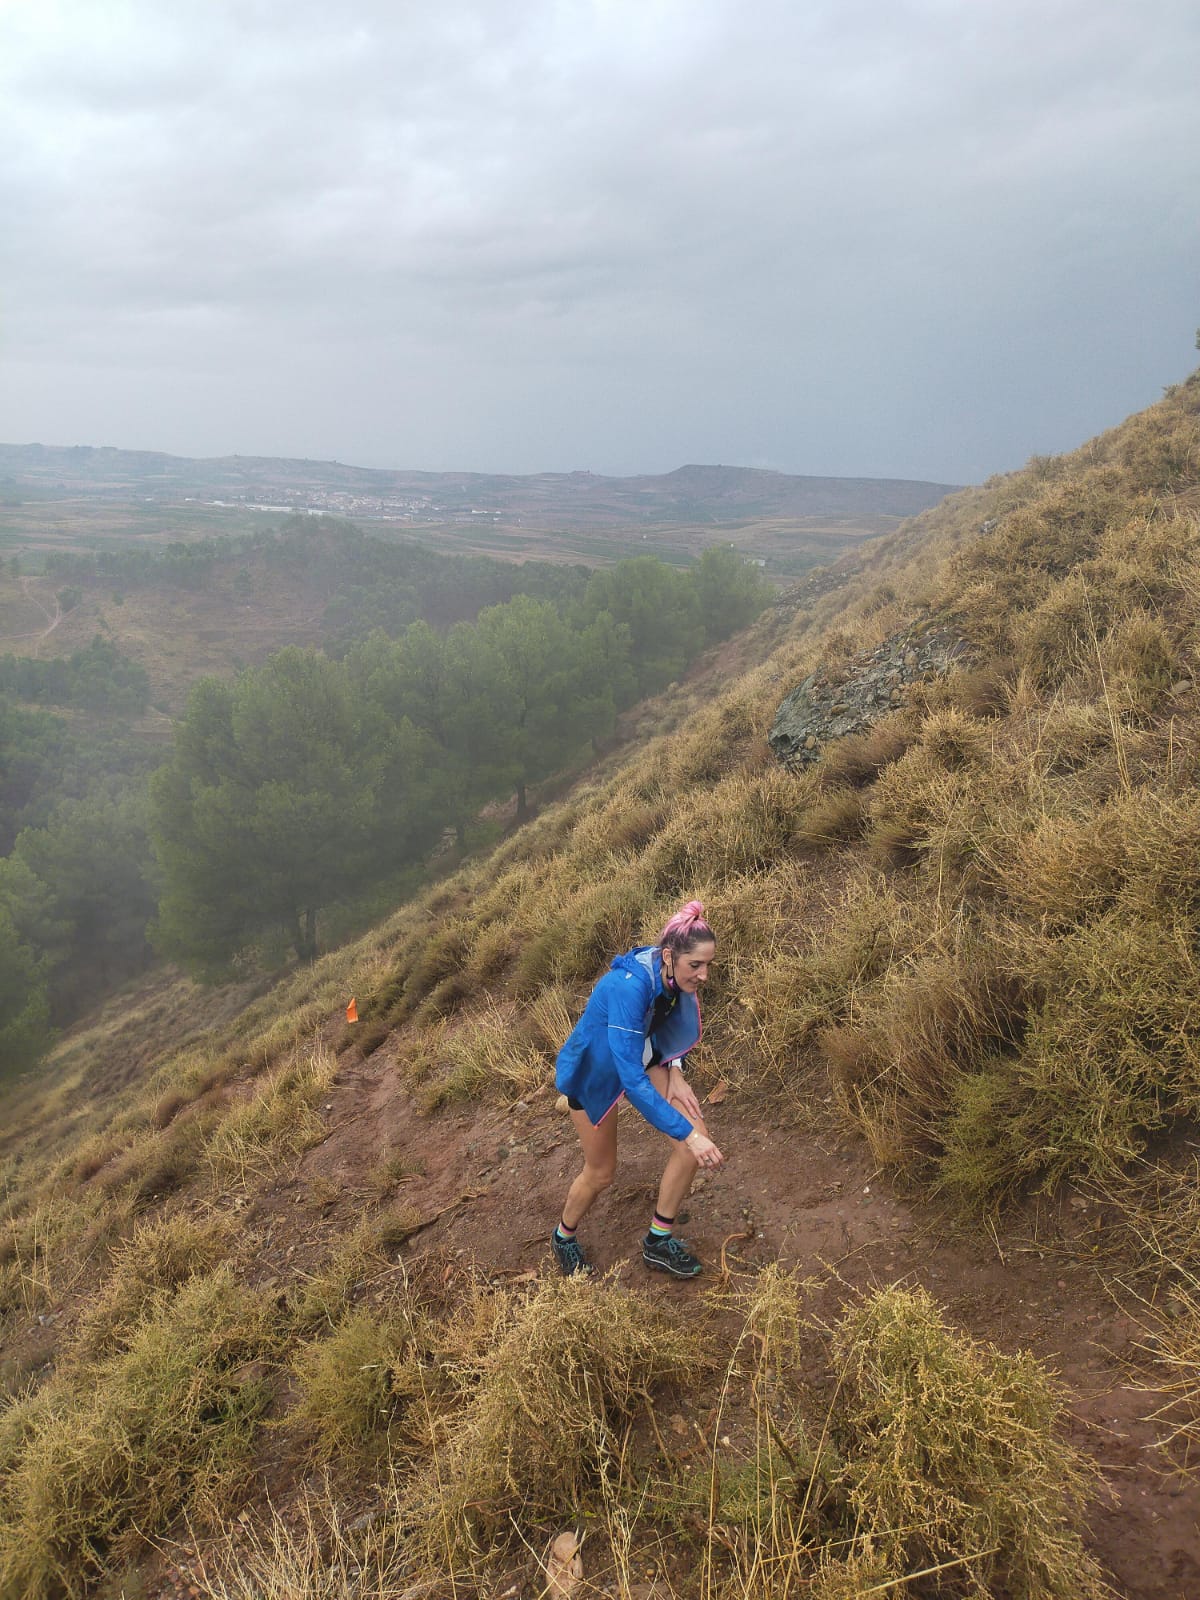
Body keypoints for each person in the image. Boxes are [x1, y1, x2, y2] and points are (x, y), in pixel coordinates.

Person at [551, 900, 725, 1279]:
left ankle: (657, 1242)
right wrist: (688, 1134)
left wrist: (675, 1069)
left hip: (637, 1055)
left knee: (692, 1144)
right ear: (669, 956)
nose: (704, 975)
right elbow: (631, 1079)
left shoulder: (669, 972)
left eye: (708, 964)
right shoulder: (628, 988)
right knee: (601, 1173)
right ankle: (563, 1236)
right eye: (696, 965)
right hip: (594, 1073)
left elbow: (666, 1021)